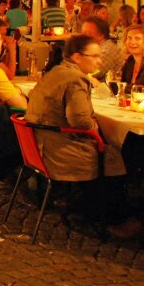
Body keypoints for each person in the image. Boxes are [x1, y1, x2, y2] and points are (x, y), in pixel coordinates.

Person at [25, 34, 128, 222]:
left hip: (41, 145)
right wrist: (95, 125)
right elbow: (80, 122)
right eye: (94, 56)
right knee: (118, 154)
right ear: (77, 57)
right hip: (61, 151)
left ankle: (86, 203)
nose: (99, 61)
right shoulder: (75, 79)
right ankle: (111, 216)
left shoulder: (55, 72)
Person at [80, 16, 124, 80]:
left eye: (87, 32)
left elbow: (93, 73)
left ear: (101, 36)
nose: (82, 35)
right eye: (82, 31)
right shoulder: (93, 48)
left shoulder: (107, 49)